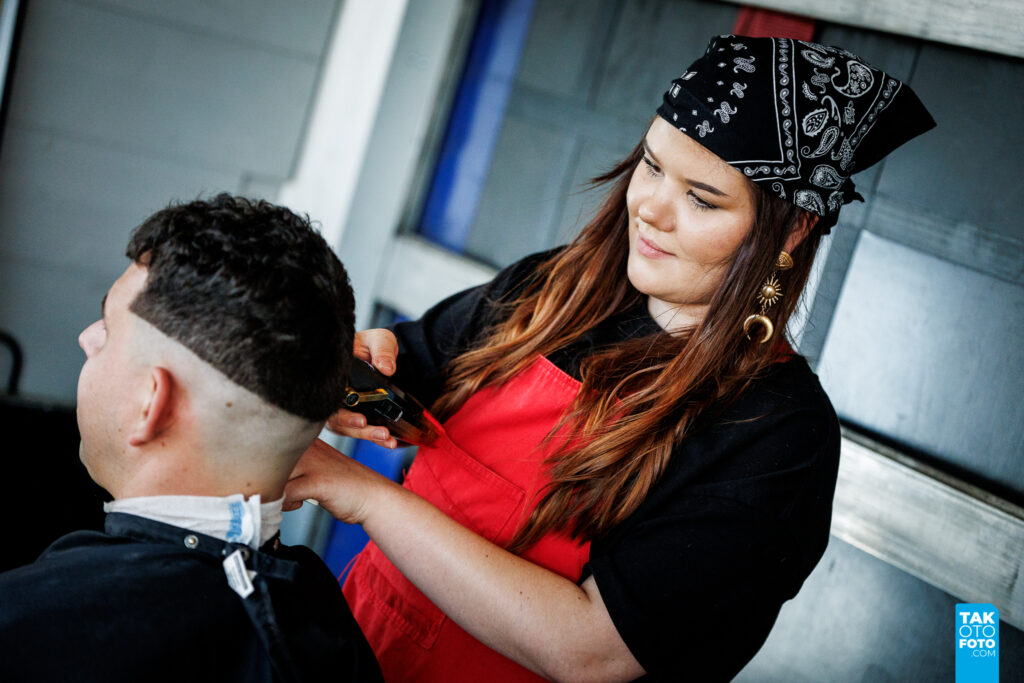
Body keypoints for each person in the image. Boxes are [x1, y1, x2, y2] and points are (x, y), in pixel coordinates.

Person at [284, 35, 935, 681]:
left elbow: (591, 652)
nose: (649, 208)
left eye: (700, 199)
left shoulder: (777, 433)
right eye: (651, 166)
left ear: (792, 228)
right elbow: (406, 372)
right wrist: (355, 375)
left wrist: (362, 495)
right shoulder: (553, 289)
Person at [0, 195, 383, 682]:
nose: (87, 338)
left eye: (109, 328)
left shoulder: (32, 634)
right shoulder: (328, 628)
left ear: (150, 404)